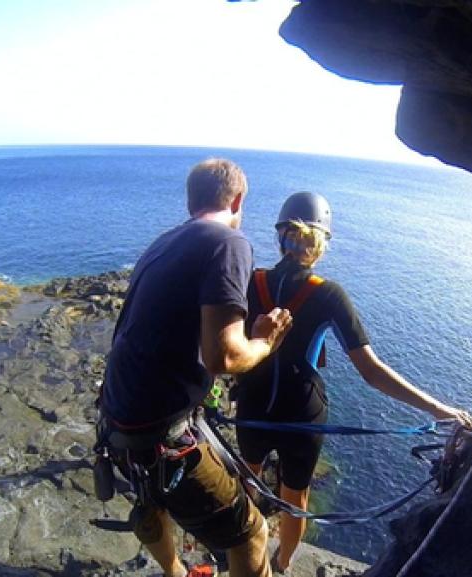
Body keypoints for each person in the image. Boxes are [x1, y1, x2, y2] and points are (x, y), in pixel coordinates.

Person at [235, 191, 472, 573]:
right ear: (321, 243)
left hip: (252, 406)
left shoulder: (252, 282)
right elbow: (371, 370)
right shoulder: (327, 294)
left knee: (248, 480)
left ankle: (246, 551)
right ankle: (281, 565)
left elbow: (224, 344)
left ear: (281, 234)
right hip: (303, 414)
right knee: (295, 497)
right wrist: (439, 410)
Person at [101, 158, 292, 577]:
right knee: (252, 533)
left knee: (150, 504)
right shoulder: (229, 243)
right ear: (238, 199)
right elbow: (222, 357)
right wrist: (265, 342)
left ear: (191, 202)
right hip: (161, 438)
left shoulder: (162, 243)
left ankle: (176, 573)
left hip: (116, 417)